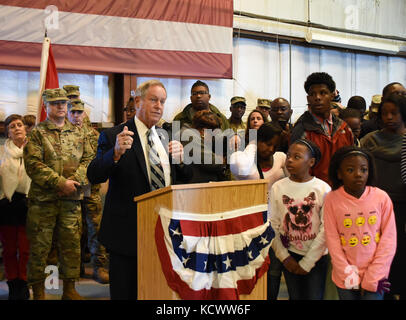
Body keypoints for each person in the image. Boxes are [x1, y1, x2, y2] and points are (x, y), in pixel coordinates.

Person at [87, 80, 192, 300]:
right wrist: (114, 154)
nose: (159, 106)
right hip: (126, 235)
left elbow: (181, 182)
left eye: (162, 101)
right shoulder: (114, 135)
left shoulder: (166, 137)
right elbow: (94, 174)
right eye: (153, 100)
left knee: (157, 293)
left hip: (163, 233)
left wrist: (182, 161)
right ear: (138, 102)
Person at [23, 88, 93, 300]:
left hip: (71, 200)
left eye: (63, 102)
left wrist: (77, 181)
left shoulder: (79, 132)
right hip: (43, 202)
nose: (61, 106)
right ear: (46, 106)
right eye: (55, 103)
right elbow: (33, 164)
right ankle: (39, 291)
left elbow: (89, 160)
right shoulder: (37, 133)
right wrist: (60, 183)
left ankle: (70, 289)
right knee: (40, 248)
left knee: (71, 246)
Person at [323, 146, 396, 300]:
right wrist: (347, 273)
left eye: (364, 170)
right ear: (339, 173)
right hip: (344, 276)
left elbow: (389, 240)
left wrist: (373, 275)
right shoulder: (331, 199)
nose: (358, 175)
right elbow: (332, 239)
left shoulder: (381, 198)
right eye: (350, 170)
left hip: (377, 275)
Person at [230, 122, 288, 300]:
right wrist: (253, 144)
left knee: (273, 274)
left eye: (274, 145)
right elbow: (242, 167)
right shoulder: (244, 158)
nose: (270, 149)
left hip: (275, 225)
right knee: (250, 271)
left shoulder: (280, 158)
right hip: (249, 225)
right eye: (266, 143)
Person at [270, 139, 331, 300]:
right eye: (288, 156)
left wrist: (308, 262)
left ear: (311, 162)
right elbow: (273, 225)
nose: (289, 160)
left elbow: (327, 229)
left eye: (297, 157)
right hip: (290, 255)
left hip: (316, 257)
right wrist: (284, 257)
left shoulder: (322, 189)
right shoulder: (278, 187)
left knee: (313, 296)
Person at [360, 93, 406, 300]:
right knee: (377, 252)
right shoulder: (370, 140)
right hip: (375, 206)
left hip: (402, 206)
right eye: (385, 113)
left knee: (401, 252)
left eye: (394, 113)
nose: (389, 117)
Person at [67, 99, 109, 284]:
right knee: (73, 230)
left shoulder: (93, 135)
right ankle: (74, 268)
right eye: (73, 112)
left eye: (80, 112)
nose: (77, 116)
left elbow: (97, 159)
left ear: (85, 114)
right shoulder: (61, 134)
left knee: (95, 228)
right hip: (69, 190)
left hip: (90, 188)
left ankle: (98, 267)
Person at [290, 72, 354, 184]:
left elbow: (352, 161)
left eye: (323, 93)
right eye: (313, 94)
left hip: (341, 192)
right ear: (308, 98)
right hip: (312, 195)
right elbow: (296, 170)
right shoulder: (301, 130)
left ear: (332, 96)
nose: (317, 97)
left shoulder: (344, 128)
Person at [0, 114, 31, 300]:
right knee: (10, 250)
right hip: (7, 205)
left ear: (25, 128)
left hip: (29, 203)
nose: (17, 128)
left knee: (26, 249)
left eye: (20, 125)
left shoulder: (34, 149)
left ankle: (24, 284)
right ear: (8, 133)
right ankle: (13, 284)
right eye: (12, 126)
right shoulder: (2, 153)